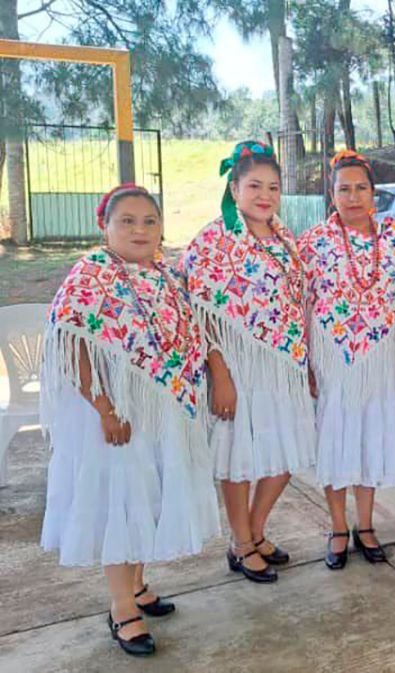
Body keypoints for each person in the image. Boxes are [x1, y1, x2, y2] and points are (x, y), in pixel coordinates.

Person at [40, 184, 218, 656]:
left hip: (163, 410)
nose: (140, 230)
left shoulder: (165, 275)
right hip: (118, 415)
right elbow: (70, 343)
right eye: (128, 221)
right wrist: (105, 407)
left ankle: (138, 585)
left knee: (149, 496)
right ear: (106, 226)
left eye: (149, 221)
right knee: (123, 500)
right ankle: (122, 609)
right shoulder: (91, 275)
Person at [181, 140, 316, 584]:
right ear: (234, 188)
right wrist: (220, 376)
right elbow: (200, 314)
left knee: (283, 454)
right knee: (238, 454)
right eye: (254, 185)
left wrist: (306, 361)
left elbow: (297, 302)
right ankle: (240, 542)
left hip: (282, 364)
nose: (265, 195)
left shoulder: (283, 237)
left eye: (273, 187)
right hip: (236, 366)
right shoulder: (212, 240)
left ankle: (256, 532)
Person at [299, 150, 395, 570]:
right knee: (337, 438)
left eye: (360, 188)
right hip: (332, 354)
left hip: (380, 352)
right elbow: (299, 305)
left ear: (373, 193)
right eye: (343, 189)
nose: (353, 197)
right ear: (331, 194)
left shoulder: (393, 236)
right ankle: (339, 528)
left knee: (371, 434)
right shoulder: (313, 242)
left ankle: (367, 525)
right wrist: (305, 364)